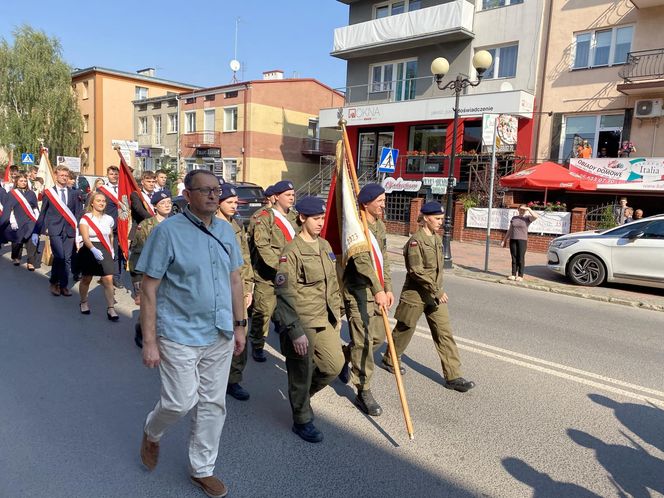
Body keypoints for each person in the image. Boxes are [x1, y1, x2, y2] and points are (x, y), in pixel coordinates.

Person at [137, 169, 246, 498]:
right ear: (187, 194)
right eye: (206, 190)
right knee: (180, 401)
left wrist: (240, 326)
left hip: (220, 332)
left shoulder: (227, 232)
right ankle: (152, 431)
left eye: (217, 190)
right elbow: (149, 288)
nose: (214, 195)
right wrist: (150, 341)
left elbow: (236, 280)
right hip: (179, 333)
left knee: (213, 404)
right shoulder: (168, 233)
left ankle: (202, 469)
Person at [382, 202, 474, 392]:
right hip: (416, 294)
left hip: (434, 295)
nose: (441, 222)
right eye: (437, 219)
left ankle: (453, 376)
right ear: (426, 218)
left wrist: (437, 290)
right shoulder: (415, 241)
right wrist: (437, 290)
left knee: (444, 332)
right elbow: (416, 271)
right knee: (405, 328)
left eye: (441, 219)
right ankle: (390, 358)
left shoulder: (437, 240)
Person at [273, 196, 344, 443]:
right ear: (302, 218)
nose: (320, 223)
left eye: (322, 218)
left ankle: (301, 397)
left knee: (334, 365)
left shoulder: (324, 246)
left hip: (324, 318)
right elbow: (284, 293)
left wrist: (337, 315)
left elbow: (332, 284)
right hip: (302, 321)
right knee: (301, 372)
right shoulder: (291, 252)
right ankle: (302, 419)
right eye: (316, 218)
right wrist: (294, 330)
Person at [339, 183, 394, 417]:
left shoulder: (379, 225)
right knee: (362, 341)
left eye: (383, 200)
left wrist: (388, 287)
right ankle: (364, 389)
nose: (383, 204)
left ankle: (344, 356)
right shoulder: (356, 226)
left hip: (377, 289)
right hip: (358, 290)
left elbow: (384, 260)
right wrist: (377, 289)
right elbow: (362, 262)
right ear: (366, 203)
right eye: (379, 201)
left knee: (378, 337)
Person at [249, 180, 298, 362]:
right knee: (263, 311)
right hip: (268, 275)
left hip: (289, 275)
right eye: (288, 195)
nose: (291, 199)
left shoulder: (294, 218)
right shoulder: (265, 217)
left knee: (290, 311)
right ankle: (257, 343)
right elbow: (263, 247)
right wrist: (280, 267)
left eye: (293, 195)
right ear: (276, 197)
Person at [216, 183, 254, 400]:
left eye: (235, 202)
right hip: (219, 289)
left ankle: (234, 379)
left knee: (242, 332)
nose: (234, 205)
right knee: (219, 335)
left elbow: (245, 260)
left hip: (239, 288)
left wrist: (248, 288)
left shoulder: (237, 225)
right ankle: (214, 377)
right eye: (229, 202)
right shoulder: (211, 225)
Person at [129, 191, 173, 348]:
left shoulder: (176, 224)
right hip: (149, 274)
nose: (167, 205)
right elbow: (137, 254)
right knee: (148, 306)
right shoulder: (146, 226)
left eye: (169, 202)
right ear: (155, 207)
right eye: (163, 203)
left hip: (170, 275)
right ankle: (141, 330)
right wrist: (137, 280)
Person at [32, 165, 84, 296]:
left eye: (66, 176)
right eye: (62, 175)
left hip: (70, 230)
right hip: (54, 229)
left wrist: (79, 232)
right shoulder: (49, 194)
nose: (64, 178)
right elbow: (42, 213)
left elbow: (78, 213)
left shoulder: (74, 193)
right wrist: (36, 231)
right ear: (56, 176)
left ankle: (64, 285)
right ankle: (54, 283)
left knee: (67, 258)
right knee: (59, 256)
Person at [77, 192, 119, 320]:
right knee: (86, 279)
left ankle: (111, 308)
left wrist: (111, 249)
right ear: (92, 203)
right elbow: (85, 237)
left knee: (108, 279)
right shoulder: (86, 218)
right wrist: (94, 249)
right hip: (90, 249)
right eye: (99, 200)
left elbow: (110, 235)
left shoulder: (109, 219)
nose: (101, 203)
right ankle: (84, 302)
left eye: (103, 201)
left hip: (105, 249)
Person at [0, 173, 39, 270]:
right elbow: (8, 208)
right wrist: (11, 220)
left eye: (25, 181)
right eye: (21, 181)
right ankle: (16, 257)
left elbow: (35, 207)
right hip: (17, 219)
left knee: (31, 241)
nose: (23, 183)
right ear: (16, 182)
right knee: (17, 241)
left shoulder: (31, 193)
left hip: (30, 220)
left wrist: (38, 218)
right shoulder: (12, 193)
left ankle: (31, 262)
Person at [129, 170, 157, 304]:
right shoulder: (136, 195)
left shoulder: (158, 194)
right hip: (140, 231)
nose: (151, 184)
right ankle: (138, 292)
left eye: (153, 181)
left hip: (157, 231)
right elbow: (139, 211)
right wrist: (156, 218)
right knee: (137, 263)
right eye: (149, 181)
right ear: (143, 182)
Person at [98, 165, 124, 288]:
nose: (114, 176)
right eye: (111, 174)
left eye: (116, 174)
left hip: (121, 225)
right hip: (106, 225)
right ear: (107, 175)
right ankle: (106, 275)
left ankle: (117, 277)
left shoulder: (123, 189)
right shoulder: (102, 190)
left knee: (118, 252)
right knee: (107, 252)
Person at [501, 204, 539, 281]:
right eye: (521, 209)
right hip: (513, 239)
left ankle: (520, 275)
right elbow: (510, 230)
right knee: (514, 257)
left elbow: (536, 216)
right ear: (518, 210)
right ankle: (513, 274)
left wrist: (528, 208)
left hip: (522, 240)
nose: (522, 211)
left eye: (523, 210)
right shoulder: (514, 218)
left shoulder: (527, 218)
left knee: (520, 258)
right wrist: (504, 240)